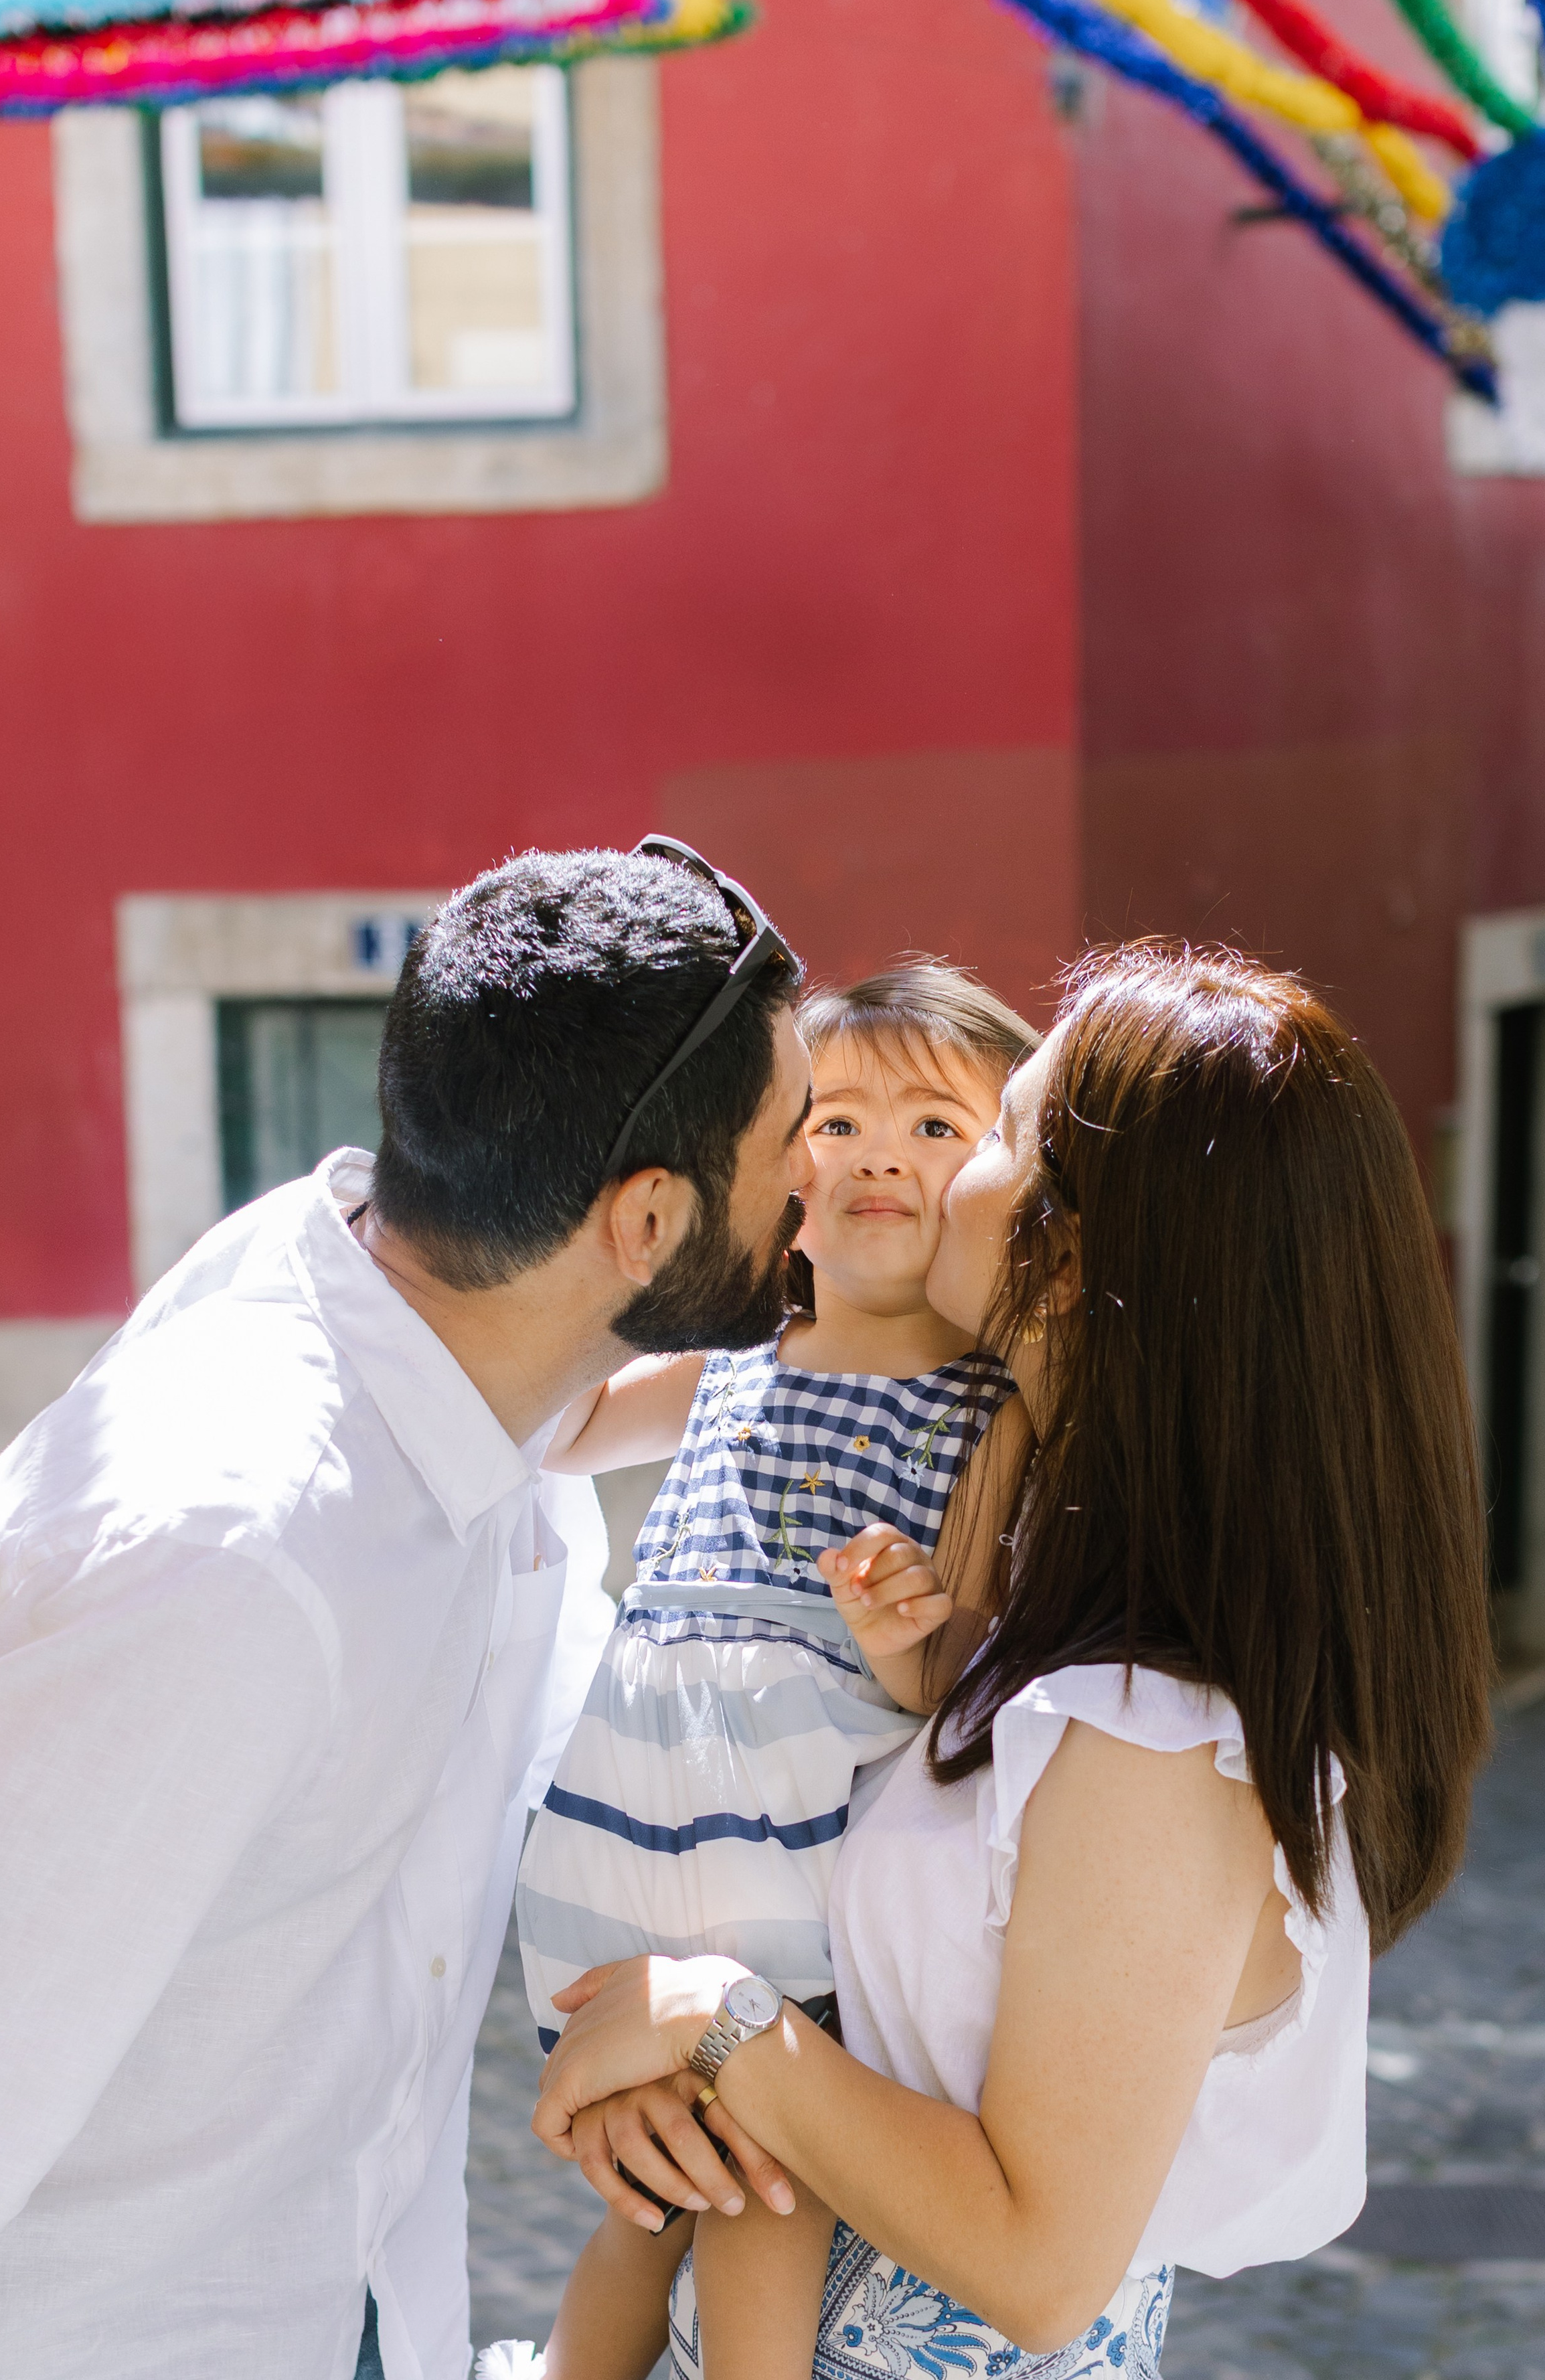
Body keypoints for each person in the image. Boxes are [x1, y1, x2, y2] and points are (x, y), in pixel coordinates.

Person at [0, 838, 815, 2380]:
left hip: (358, 2290)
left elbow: (562, 1413)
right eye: (796, 1138)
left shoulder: (398, 1298)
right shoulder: (236, 1571)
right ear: (644, 1225)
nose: (821, 1175)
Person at [527, 942, 1497, 2380]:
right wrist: (680, 2089)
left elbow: (1037, 2270)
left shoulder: (1148, 1738)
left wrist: (715, 2021)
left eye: (999, 1132)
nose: (938, 1164)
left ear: (1076, 1243)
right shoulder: (1041, 1566)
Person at [514, 963, 1038, 2380]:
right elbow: (551, 1427)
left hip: (789, 1861)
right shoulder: (728, 1357)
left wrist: (897, 1641)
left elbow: (955, 1698)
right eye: (835, 1120)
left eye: (936, 1130)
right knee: (670, 2174)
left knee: (754, 2165)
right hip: (634, 1824)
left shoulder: (986, 1411)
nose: (878, 1153)